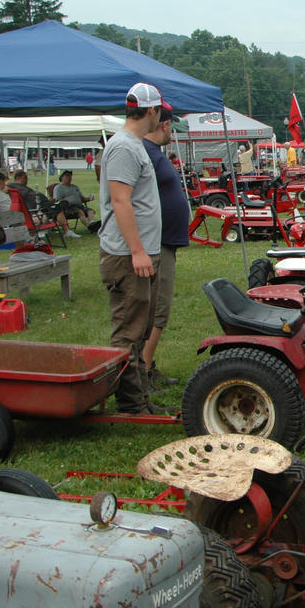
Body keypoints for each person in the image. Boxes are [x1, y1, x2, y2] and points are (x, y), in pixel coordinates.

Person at [98, 82, 165, 415]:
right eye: (160, 112)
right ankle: (129, 404)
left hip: (140, 254)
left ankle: (138, 400)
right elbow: (120, 200)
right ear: (151, 111)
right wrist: (137, 251)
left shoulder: (133, 144)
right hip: (127, 257)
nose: (161, 118)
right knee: (128, 332)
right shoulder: (123, 147)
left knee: (140, 329)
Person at [141, 103, 190, 392]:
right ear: (165, 124)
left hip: (164, 242)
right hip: (157, 243)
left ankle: (146, 365)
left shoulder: (153, 153)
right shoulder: (146, 153)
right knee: (158, 308)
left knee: (159, 308)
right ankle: (143, 372)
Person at [7, 170, 78, 238]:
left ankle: (62, 229)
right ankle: (67, 231)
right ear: (18, 178)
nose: (27, 180)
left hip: (40, 206)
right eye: (25, 178)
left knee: (58, 205)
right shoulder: (15, 186)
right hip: (36, 210)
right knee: (58, 209)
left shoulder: (19, 187)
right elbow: (6, 187)